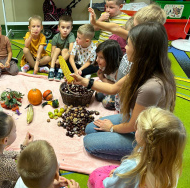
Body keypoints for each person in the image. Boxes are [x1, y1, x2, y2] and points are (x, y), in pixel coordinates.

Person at [71, 22, 176, 161]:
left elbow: (134, 125)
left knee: (89, 143)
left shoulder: (151, 87)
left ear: (141, 50)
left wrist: (112, 128)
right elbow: (114, 88)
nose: (125, 48)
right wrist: (84, 81)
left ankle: (144, 155)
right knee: (90, 129)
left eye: (128, 45)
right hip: (135, 119)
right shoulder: (141, 67)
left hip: (145, 135)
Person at [88, 107, 186, 188]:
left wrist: (114, 176)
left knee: (98, 174)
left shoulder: (133, 165)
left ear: (146, 139)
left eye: (138, 128)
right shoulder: (172, 162)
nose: (135, 129)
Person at [11, 140, 100, 188]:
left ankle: (49, 184)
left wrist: (52, 184)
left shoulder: (23, 178)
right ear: (56, 176)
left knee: (49, 172)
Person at [88, 4, 166, 41]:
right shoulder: (136, 34)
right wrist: (95, 22)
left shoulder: (148, 41)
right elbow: (115, 28)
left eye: (136, 27)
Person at [94, 40, 123, 110]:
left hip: (118, 91)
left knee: (106, 102)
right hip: (109, 85)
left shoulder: (118, 71)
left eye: (101, 57)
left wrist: (103, 79)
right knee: (98, 95)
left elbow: (116, 87)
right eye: (97, 56)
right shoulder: (103, 65)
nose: (97, 60)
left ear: (111, 59)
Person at [48, 15, 75, 81]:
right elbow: (52, 52)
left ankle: (61, 71)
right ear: (58, 27)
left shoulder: (71, 36)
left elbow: (71, 51)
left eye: (68, 28)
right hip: (58, 58)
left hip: (66, 58)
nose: (65, 30)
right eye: (63, 27)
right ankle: (51, 70)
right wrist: (54, 62)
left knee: (65, 50)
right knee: (57, 49)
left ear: (71, 28)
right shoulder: (55, 37)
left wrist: (61, 62)